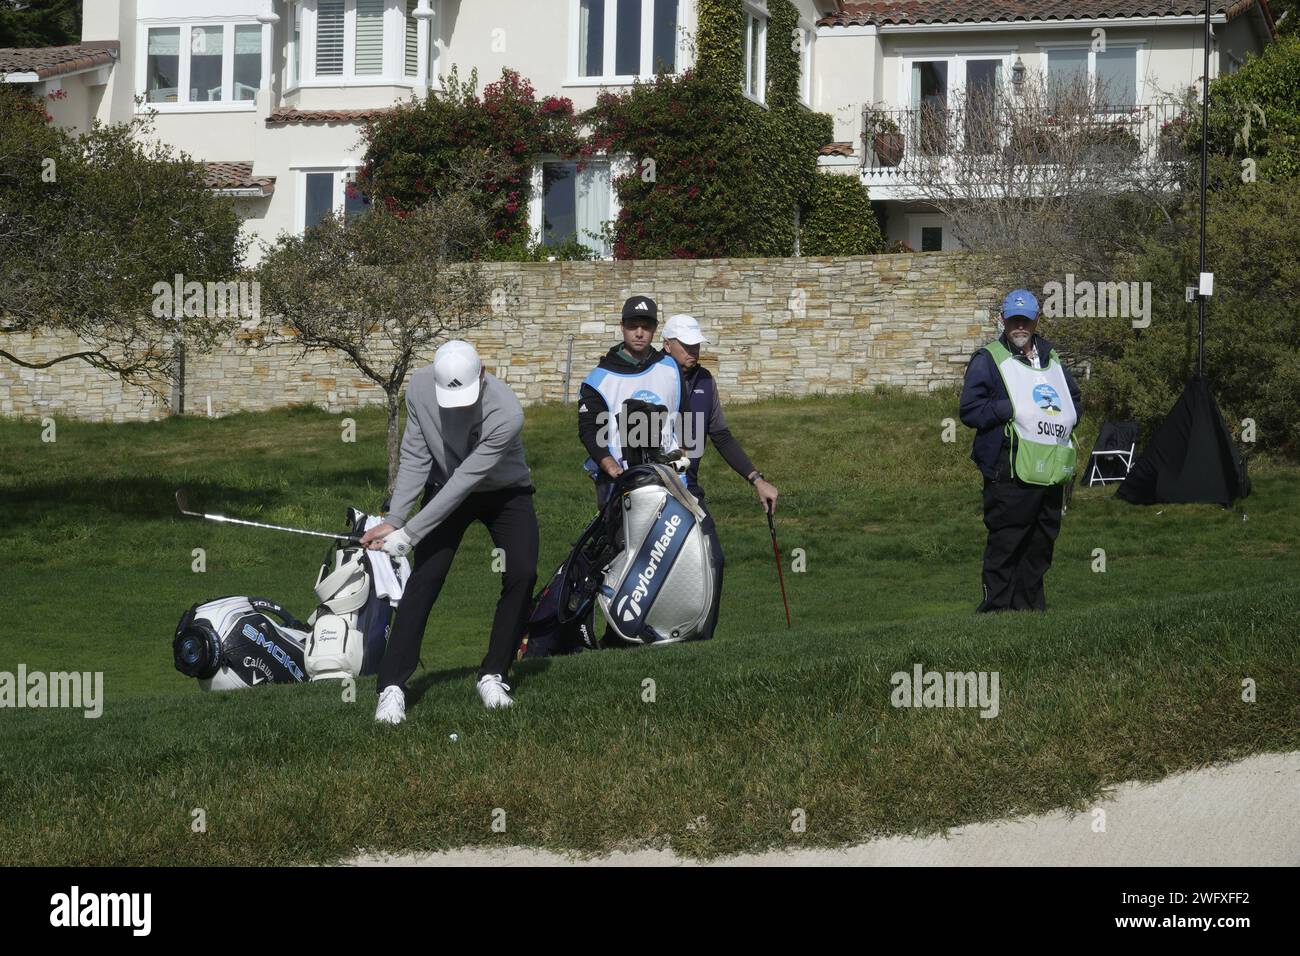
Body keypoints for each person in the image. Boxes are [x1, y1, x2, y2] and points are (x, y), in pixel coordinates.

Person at [362, 340, 538, 722]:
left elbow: (468, 480)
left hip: (504, 491)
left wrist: (411, 534)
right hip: (443, 486)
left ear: (483, 373)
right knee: (426, 577)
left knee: (523, 571)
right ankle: (391, 687)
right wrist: (395, 518)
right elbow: (416, 455)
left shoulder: (507, 411)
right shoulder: (420, 389)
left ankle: (493, 675)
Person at [960, 289, 1082, 612]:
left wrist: (1061, 419)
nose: (1019, 327)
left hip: (1050, 471)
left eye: (1025, 320)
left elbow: (1074, 400)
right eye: (1013, 320)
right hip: (1008, 472)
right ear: (1002, 319)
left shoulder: (1051, 358)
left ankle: (1029, 614)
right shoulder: (988, 360)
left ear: (1036, 320)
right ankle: (995, 613)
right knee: (1006, 543)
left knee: (1041, 544)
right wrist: (1009, 407)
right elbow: (970, 410)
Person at [662, 313, 778, 640]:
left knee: (712, 560)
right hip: (652, 490)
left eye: (695, 344)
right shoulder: (650, 377)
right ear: (667, 345)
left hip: (688, 489)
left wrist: (756, 479)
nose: (692, 351)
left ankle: (702, 640)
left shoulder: (705, 381)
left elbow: (721, 436)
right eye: (685, 345)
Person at [577, 294, 684, 508]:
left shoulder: (671, 368)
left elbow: (684, 415)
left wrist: (684, 454)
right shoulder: (598, 379)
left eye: (646, 327)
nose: (639, 333)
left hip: (672, 481)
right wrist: (611, 467)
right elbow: (590, 431)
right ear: (622, 326)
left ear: (654, 329)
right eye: (633, 326)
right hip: (622, 484)